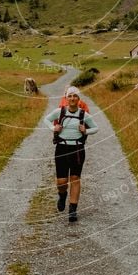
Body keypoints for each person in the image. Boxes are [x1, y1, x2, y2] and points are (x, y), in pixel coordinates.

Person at [44, 85, 98, 223]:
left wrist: (85, 131)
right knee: (61, 181)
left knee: (75, 178)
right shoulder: (59, 112)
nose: (72, 98)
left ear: (79, 99)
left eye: (75, 96)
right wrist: (53, 127)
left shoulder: (83, 115)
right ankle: (62, 195)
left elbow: (96, 128)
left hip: (78, 150)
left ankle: (73, 209)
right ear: (66, 98)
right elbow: (46, 119)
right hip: (61, 149)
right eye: (70, 96)